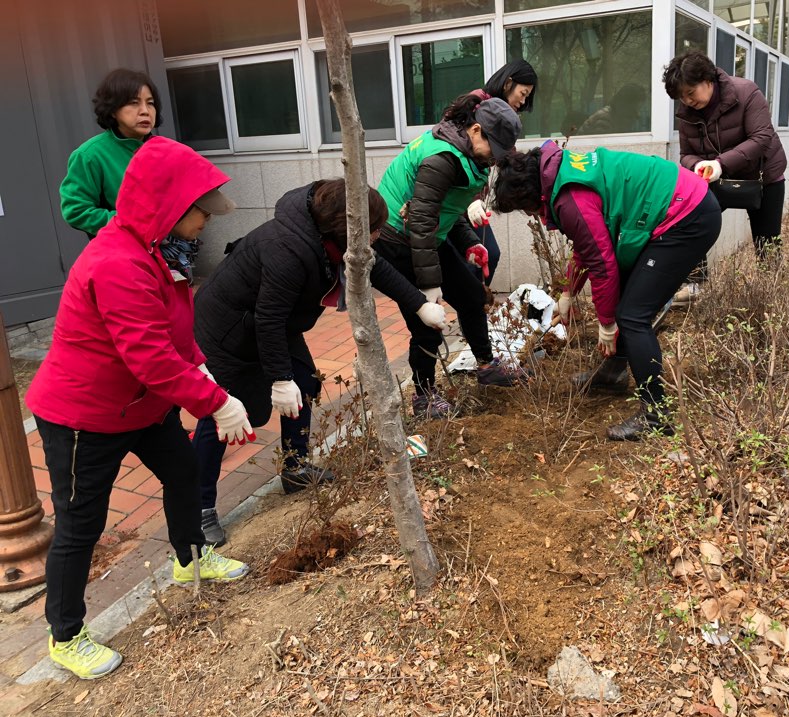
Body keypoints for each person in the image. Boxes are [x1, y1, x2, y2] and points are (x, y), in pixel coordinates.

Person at [26, 136, 253, 680]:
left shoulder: (162, 250)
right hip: (85, 415)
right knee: (82, 522)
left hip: (143, 407)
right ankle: (65, 634)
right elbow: (149, 356)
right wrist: (215, 403)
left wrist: (200, 367)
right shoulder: (118, 262)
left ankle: (189, 558)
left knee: (182, 472)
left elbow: (174, 333)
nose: (205, 222)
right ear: (169, 208)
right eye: (199, 212)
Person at [191, 180, 443, 546]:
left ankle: (294, 468)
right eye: (372, 230)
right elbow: (269, 318)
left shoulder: (324, 236)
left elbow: (376, 265)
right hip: (227, 330)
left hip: (269, 323)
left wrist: (420, 304)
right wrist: (279, 378)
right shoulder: (288, 249)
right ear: (345, 229)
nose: (376, 237)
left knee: (306, 383)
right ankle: (199, 510)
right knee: (221, 415)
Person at [493, 142, 722, 441]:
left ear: (531, 194)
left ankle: (656, 414)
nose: (531, 215)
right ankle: (614, 372)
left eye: (525, 208)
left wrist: (606, 323)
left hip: (687, 216)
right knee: (627, 296)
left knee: (632, 315)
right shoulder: (559, 176)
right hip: (676, 207)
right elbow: (587, 244)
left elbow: (602, 265)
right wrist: (568, 293)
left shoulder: (568, 198)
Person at [375, 96, 525, 419]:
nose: (493, 159)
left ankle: (486, 367)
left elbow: (445, 210)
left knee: (471, 295)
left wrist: (470, 243)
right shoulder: (442, 159)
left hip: (425, 234)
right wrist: (429, 290)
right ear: (475, 130)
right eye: (493, 148)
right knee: (426, 321)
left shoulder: (467, 153)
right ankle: (424, 398)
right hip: (396, 240)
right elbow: (421, 220)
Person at [663, 52, 787, 302]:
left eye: (690, 92)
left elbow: (762, 138)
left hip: (762, 176)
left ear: (708, 79)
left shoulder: (746, 92)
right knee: (689, 217)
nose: (687, 101)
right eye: (681, 97)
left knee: (766, 239)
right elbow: (686, 153)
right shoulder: (687, 113)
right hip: (716, 178)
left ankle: (771, 293)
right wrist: (697, 165)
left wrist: (720, 163)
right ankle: (696, 283)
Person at [60, 68, 202, 281]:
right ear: (112, 109)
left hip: (173, 252)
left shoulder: (168, 149)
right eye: (134, 103)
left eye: (150, 102)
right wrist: (129, 223)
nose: (145, 111)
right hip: (125, 258)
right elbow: (76, 211)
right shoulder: (90, 155)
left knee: (177, 308)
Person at [463, 60, 539, 286]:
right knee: (479, 257)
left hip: (472, 200)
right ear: (508, 83)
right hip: (457, 197)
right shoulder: (475, 104)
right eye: (523, 93)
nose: (523, 101)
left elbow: (509, 159)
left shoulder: (503, 114)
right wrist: (472, 200)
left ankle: (472, 311)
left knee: (486, 256)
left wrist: (530, 197)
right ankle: (471, 311)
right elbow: (455, 154)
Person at [575, 84, 645, 136]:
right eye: (634, 109)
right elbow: (602, 149)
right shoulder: (604, 119)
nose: (637, 115)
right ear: (623, 104)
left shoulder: (617, 115)